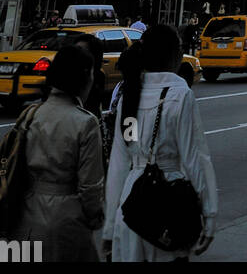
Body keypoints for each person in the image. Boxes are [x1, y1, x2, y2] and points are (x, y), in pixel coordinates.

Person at [103, 24, 218, 261]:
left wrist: (109, 225)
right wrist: (209, 213)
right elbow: (195, 157)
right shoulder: (180, 94)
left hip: (130, 207)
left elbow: (119, 162)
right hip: (169, 204)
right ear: (175, 55)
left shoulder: (130, 94)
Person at [9, 45, 104, 261]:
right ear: (83, 78)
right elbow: (90, 187)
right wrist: (95, 216)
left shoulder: (31, 114)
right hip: (65, 218)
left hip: (25, 212)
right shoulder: (86, 122)